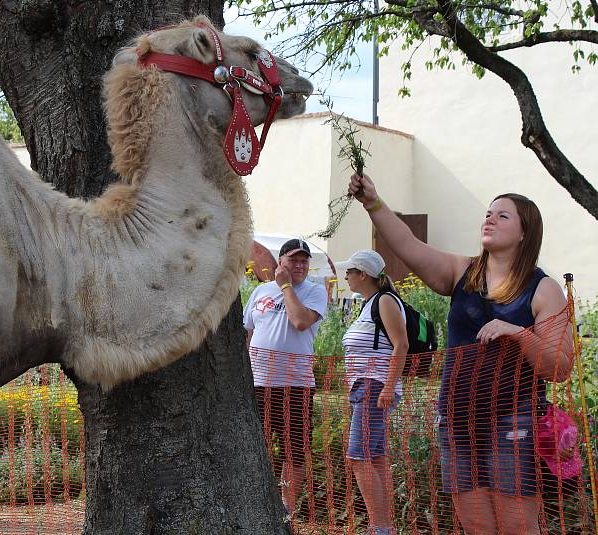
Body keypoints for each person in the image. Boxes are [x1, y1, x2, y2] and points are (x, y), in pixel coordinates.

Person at [348, 173, 573, 535]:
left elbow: (560, 366)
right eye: (488, 212)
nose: (489, 218)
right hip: (456, 421)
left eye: (503, 215)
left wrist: (518, 333)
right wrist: (373, 202)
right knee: (476, 526)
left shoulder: (543, 289)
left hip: (512, 421)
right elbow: (407, 243)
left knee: (517, 527)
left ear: (524, 233)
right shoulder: (461, 271)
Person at [243, 238, 328, 515]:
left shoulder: (314, 291)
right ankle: (258, 503)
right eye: (294, 260)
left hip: (295, 384)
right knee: (258, 445)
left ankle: (286, 509)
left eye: (304, 260)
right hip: (258, 383)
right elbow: (249, 331)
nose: (300, 265)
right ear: (280, 262)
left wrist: (286, 286)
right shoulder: (260, 293)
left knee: (294, 449)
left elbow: (300, 321)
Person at [339, 250, 407, 535]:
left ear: (363, 274)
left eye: (350, 271)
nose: (346, 276)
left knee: (358, 457)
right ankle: (384, 526)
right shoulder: (368, 303)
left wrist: (389, 387)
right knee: (374, 456)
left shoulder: (385, 301)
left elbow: (400, 345)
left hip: (375, 386)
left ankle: (379, 528)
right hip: (366, 387)